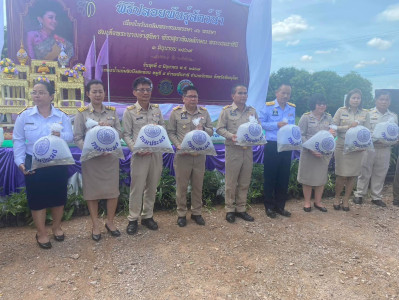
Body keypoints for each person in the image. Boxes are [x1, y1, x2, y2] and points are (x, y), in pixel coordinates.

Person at [13, 81, 73, 249]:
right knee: (37, 197)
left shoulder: (61, 116)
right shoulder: (25, 116)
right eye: (34, 92)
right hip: (33, 160)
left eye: (41, 92)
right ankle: (41, 232)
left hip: (57, 161)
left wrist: (59, 134)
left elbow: (70, 136)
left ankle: (56, 227)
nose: (37, 95)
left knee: (58, 196)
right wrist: (20, 161)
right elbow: (18, 140)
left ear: (51, 96)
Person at [73, 80, 122, 241]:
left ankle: (110, 222)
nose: (98, 94)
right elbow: (77, 138)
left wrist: (109, 133)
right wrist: (89, 149)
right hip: (92, 160)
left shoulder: (112, 112)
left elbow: (119, 133)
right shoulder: (82, 113)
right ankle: (95, 224)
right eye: (94, 91)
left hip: (110, 158)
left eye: (100, 91)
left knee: (112, 192)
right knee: (92, 193)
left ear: (104, 93)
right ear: (88, 94)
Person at [123, 77, 165, 234]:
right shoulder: (130, 112)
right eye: (141, 89)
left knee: (152, 186)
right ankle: (133, 218)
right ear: (135, 92)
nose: (145, 92)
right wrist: (135, 149)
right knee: (137, 188)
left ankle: (147, 216)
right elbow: (126, 134)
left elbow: (162, 129)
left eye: (148, 89)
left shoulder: (156, 110)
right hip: (139, 155)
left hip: (155, 154)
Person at [167, 86, 213, 227]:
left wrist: (204, 129)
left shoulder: (204, 113)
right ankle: (181, 214)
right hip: (183, 156)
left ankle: (196, 213)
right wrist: (178, 145)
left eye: (195, 96)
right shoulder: (176, 113)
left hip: (199, 156)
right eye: (190, 96)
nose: (193, 99)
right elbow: (170, 132)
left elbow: (211, 131)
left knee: (197, 186)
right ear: (184, 98)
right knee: (181, 187)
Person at [216, 85, 257, 223]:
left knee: (245, 181)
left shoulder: (252, 111)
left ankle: (241, 209)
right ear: (233, 96)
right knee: (231, 182)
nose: (243, 95)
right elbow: (219, 128)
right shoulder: (227, 111)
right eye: (240, 93)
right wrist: (230, 135)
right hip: (233, 150)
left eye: (245, 93)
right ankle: (229, 210)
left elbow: (258, 127)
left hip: (248, 150)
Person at [354, 91, 397, 207]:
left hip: (385, 148)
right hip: (370, 147)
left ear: (390, 102)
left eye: (386, 100)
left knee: (380, 173)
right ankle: (359, 195)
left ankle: (376, 197)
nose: (384, 102)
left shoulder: (393, 116)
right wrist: (374, 139)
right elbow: (363, 130)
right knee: (364, 171)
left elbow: (394, 133)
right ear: (376, 100)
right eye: (381, 99)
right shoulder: (368, 114)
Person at [259, 84, 295, 218]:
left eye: (288, 94)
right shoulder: (268, 106)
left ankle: (280, 206)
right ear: (277, 92)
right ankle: (269, 207)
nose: (286, 96)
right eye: (283, 93)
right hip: (272, 144)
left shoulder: (292, 108)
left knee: (284, 177)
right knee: (270, 177)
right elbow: (260, 123)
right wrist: (276, 124)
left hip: (287, 146)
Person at [332, 88, 370, 211]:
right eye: (353, 98)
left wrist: (364, 146)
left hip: (357, 148)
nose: (355, 100)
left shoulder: (365, 113)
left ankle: (346, 200)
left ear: (361, 100)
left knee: (352, 175)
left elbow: (368, 131)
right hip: (342, 146)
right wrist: (348, 126)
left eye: (358, 98)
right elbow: (333, 127)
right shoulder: (340, 110)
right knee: (341, 175)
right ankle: (337, 197)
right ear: (348, 99)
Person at [297, 94, 335, 212]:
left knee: (320, 178)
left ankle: (318, 202)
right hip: (308, 153)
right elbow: (300, 134)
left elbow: (333, 134)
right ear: (314, 104)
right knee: (307, 178)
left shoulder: (328, 118)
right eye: (319, 104)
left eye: (324, 104)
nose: (322, 106)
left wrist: (333, 134)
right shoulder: (306, 117)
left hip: (323, 154)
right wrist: (310, 148)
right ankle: (307, 202)